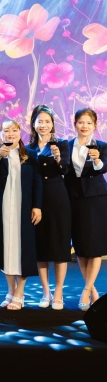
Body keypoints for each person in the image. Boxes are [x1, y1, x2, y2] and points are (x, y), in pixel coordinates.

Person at [0, 120, 42, 310]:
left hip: (24, 206)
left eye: (14, 130)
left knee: (23, 248)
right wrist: (1, 154)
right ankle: (11, 290)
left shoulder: (30, 153)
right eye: (6, 131)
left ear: (20, 133)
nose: (11, 133)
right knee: (5, 248)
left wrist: (37, 206)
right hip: (2, 206)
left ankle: (20, 293)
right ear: (1, 134)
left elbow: (37, 181)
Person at [28, 105, 71, 310]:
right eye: (40, 121)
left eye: (47, 121)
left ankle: (59, 292)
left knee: (60, 245)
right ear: (34, 124)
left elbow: (65, 169)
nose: (43, 125)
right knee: (41, 245)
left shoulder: (61, 144)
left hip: (57, 197)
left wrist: (58, 157)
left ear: (53, 124)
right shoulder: (28, 147)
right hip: (36, 200)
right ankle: (46, 292)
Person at [64, 108, 107, 311]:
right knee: (80, 246)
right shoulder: (66, 145)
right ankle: (93, 290)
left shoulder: (102, 146)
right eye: (81, 122)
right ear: (75, 124)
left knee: (95, 246)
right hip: (73, 199)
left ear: (95, 125)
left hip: (95, 199)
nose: (84, 126)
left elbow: (103, 168)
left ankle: (86, 289)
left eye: (89, 123)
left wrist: (97, 159)